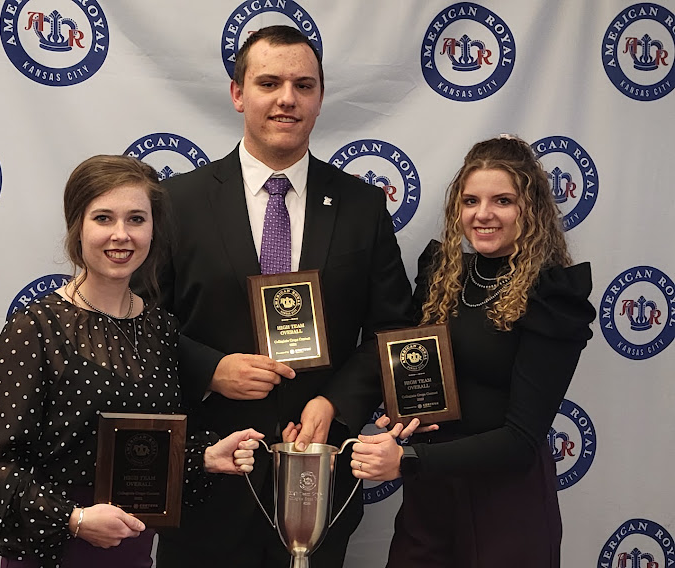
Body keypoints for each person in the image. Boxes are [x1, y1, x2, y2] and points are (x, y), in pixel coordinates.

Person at [157, 25, 413, 568]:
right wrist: (210, 369)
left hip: (318, 478)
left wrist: (336, 403)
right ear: (237, 93)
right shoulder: (176, 202)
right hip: (207, 479)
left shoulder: (362, 205)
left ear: (320, 98)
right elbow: (138, 325)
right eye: (269, 82)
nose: (286, 99)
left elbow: (395, 332)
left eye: (304, 85)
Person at [0, 155, 264, 568]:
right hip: (56, 552)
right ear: (78, 227)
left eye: (137, 219)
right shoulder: (36, 328)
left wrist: (204, 457)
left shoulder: (161, 329)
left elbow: (151, 445)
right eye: (104, 218)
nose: (121, 235)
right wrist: (74, 519)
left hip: (133, 550)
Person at [350, 135, 596, 568]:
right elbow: (415, 368)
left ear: (531, 208)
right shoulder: (443, 275)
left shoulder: (552, 295)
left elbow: (521, 440)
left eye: (502, 200)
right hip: (431, 498)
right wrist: (401, 408)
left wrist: (407, 459)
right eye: (470, 201)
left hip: (505, 503)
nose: (482, 215)